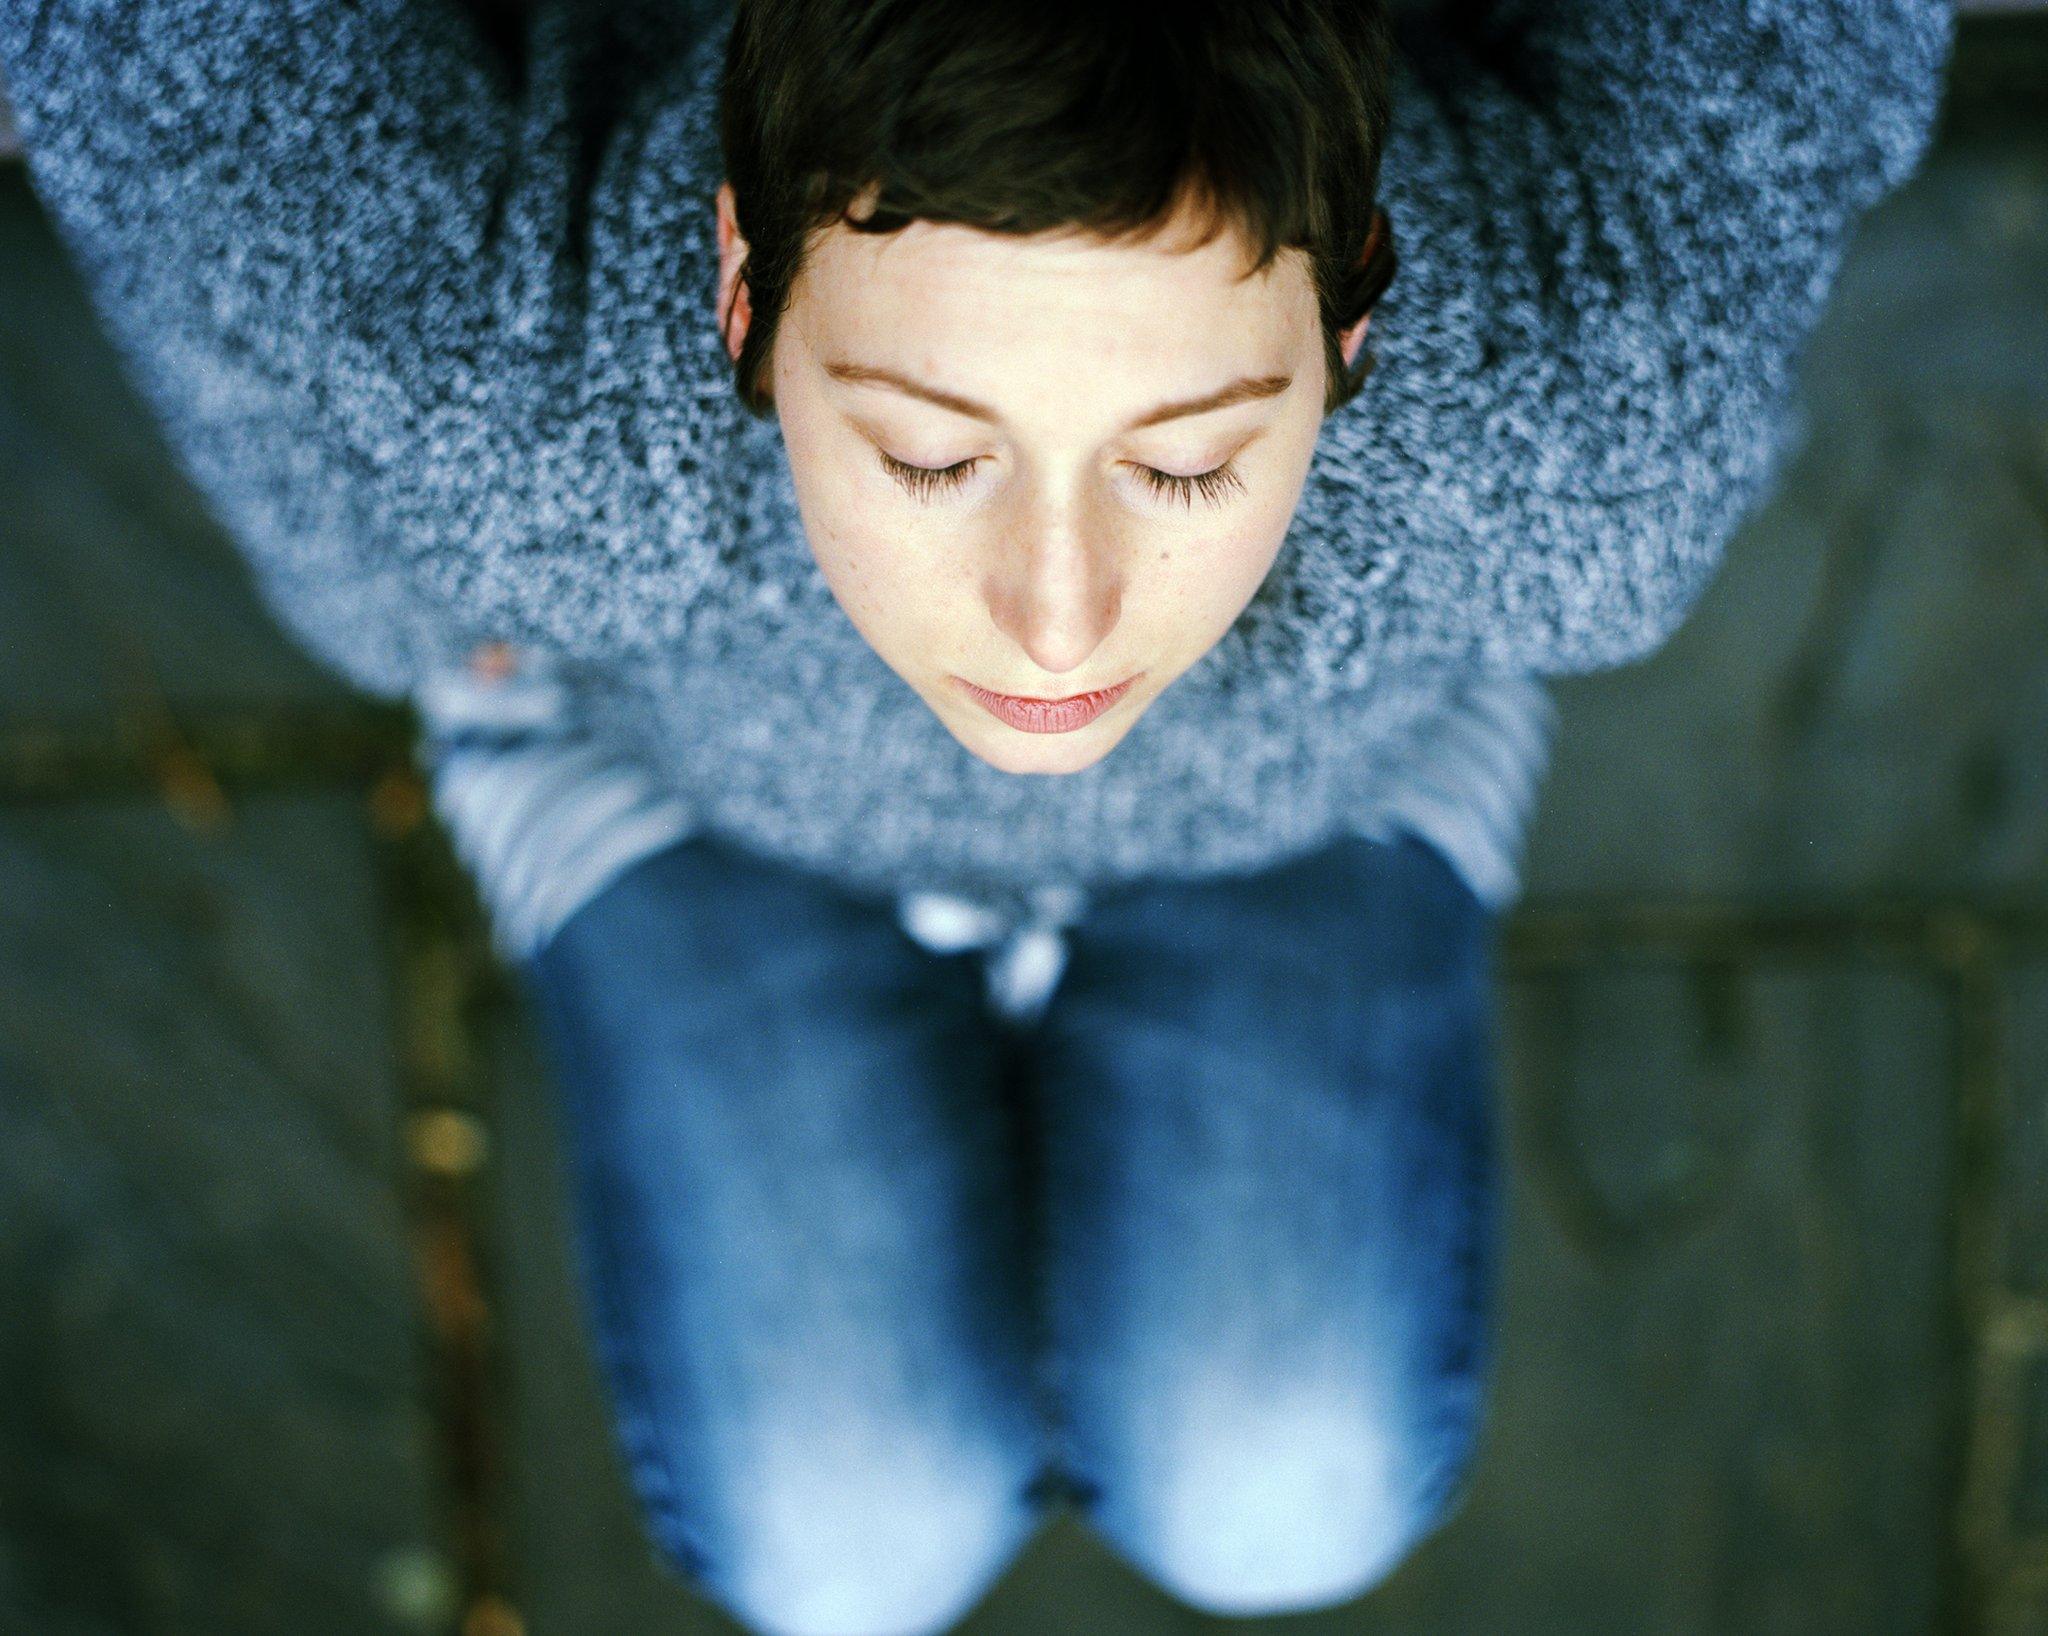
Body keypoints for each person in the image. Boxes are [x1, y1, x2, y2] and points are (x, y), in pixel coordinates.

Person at [0, 0, 1953, 1631]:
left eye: (1184, 462)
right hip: (704, 801)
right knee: (837, 1548)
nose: (1055, 620)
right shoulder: (525, 428)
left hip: (1305, 798)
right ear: (739, 284)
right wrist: (417, 602)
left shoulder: (1556, 457)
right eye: (931, 451)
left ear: (1357, 312)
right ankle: (550, 780)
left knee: (1290, 1492)